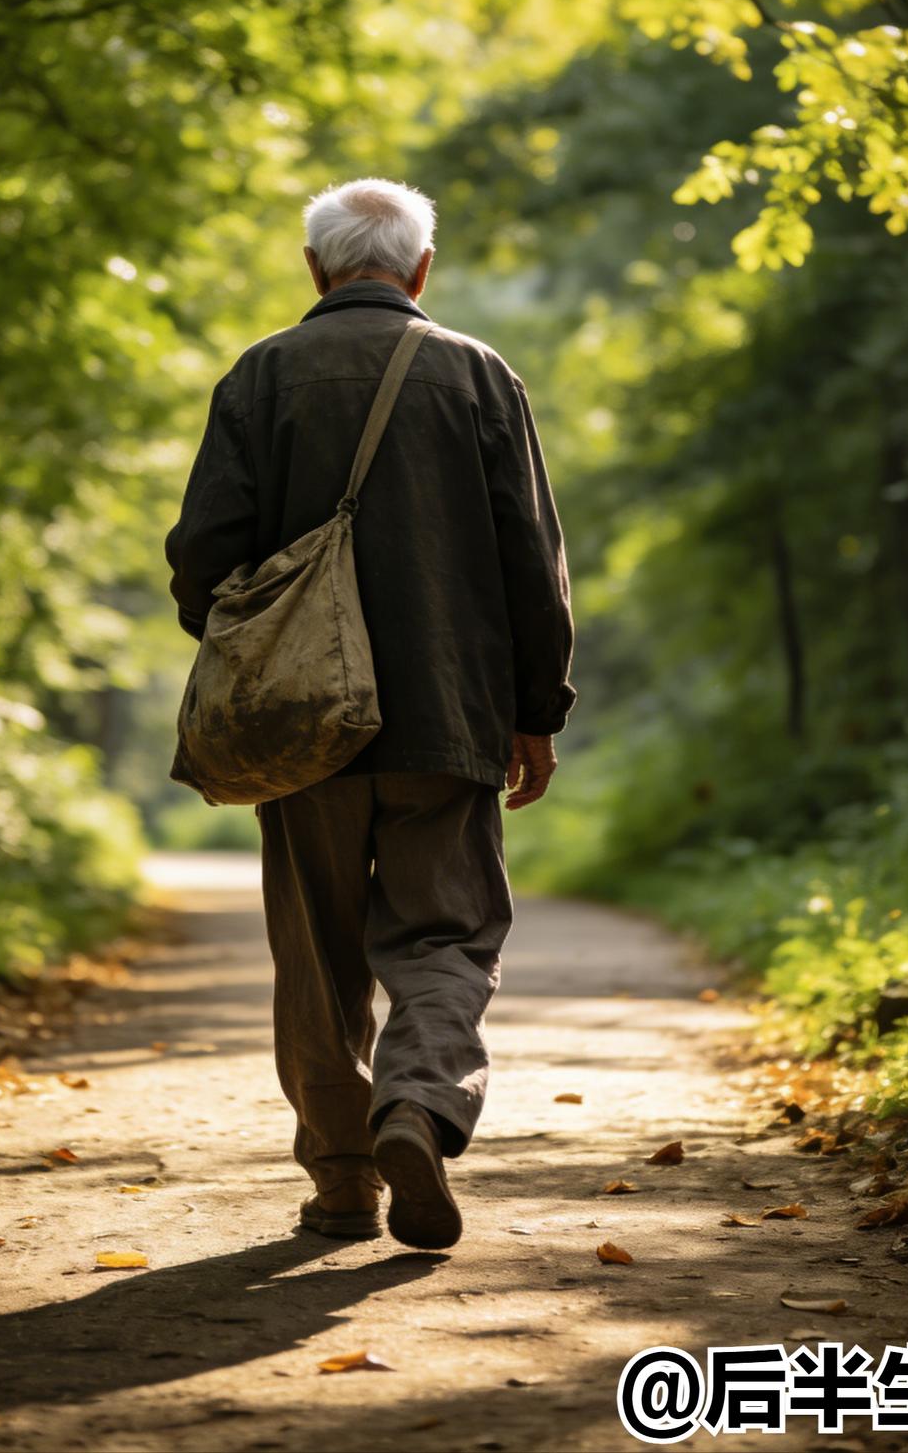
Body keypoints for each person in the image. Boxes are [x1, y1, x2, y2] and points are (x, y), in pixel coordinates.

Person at [165, 178, 574, 1249]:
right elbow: (532, 563)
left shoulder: (259, 376)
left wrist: (244, 656)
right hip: (449, 714)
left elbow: (203, 551)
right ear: (419, 270)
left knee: (316, 951)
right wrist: (535, 710)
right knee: (446, 932)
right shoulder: (480, 375)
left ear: (316, 268)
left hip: (302, 726)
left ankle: (343, 1180)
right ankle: (418, 1104)